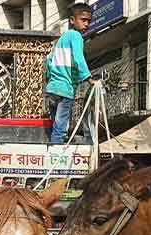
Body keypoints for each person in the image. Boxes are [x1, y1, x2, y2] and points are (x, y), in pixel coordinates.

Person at [45, 3, 96, 144]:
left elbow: (49, 62)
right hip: (65, 90)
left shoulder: (62, 39)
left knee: (55, 124)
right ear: (72, 20)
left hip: (52, 88)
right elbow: (79, 59)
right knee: (61, 126)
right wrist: (89, 79)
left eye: (88, 21)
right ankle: (57, 151)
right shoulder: (76, 36)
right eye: (83, 20)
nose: (86, 24)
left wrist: (49, 80)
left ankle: (53, 145)